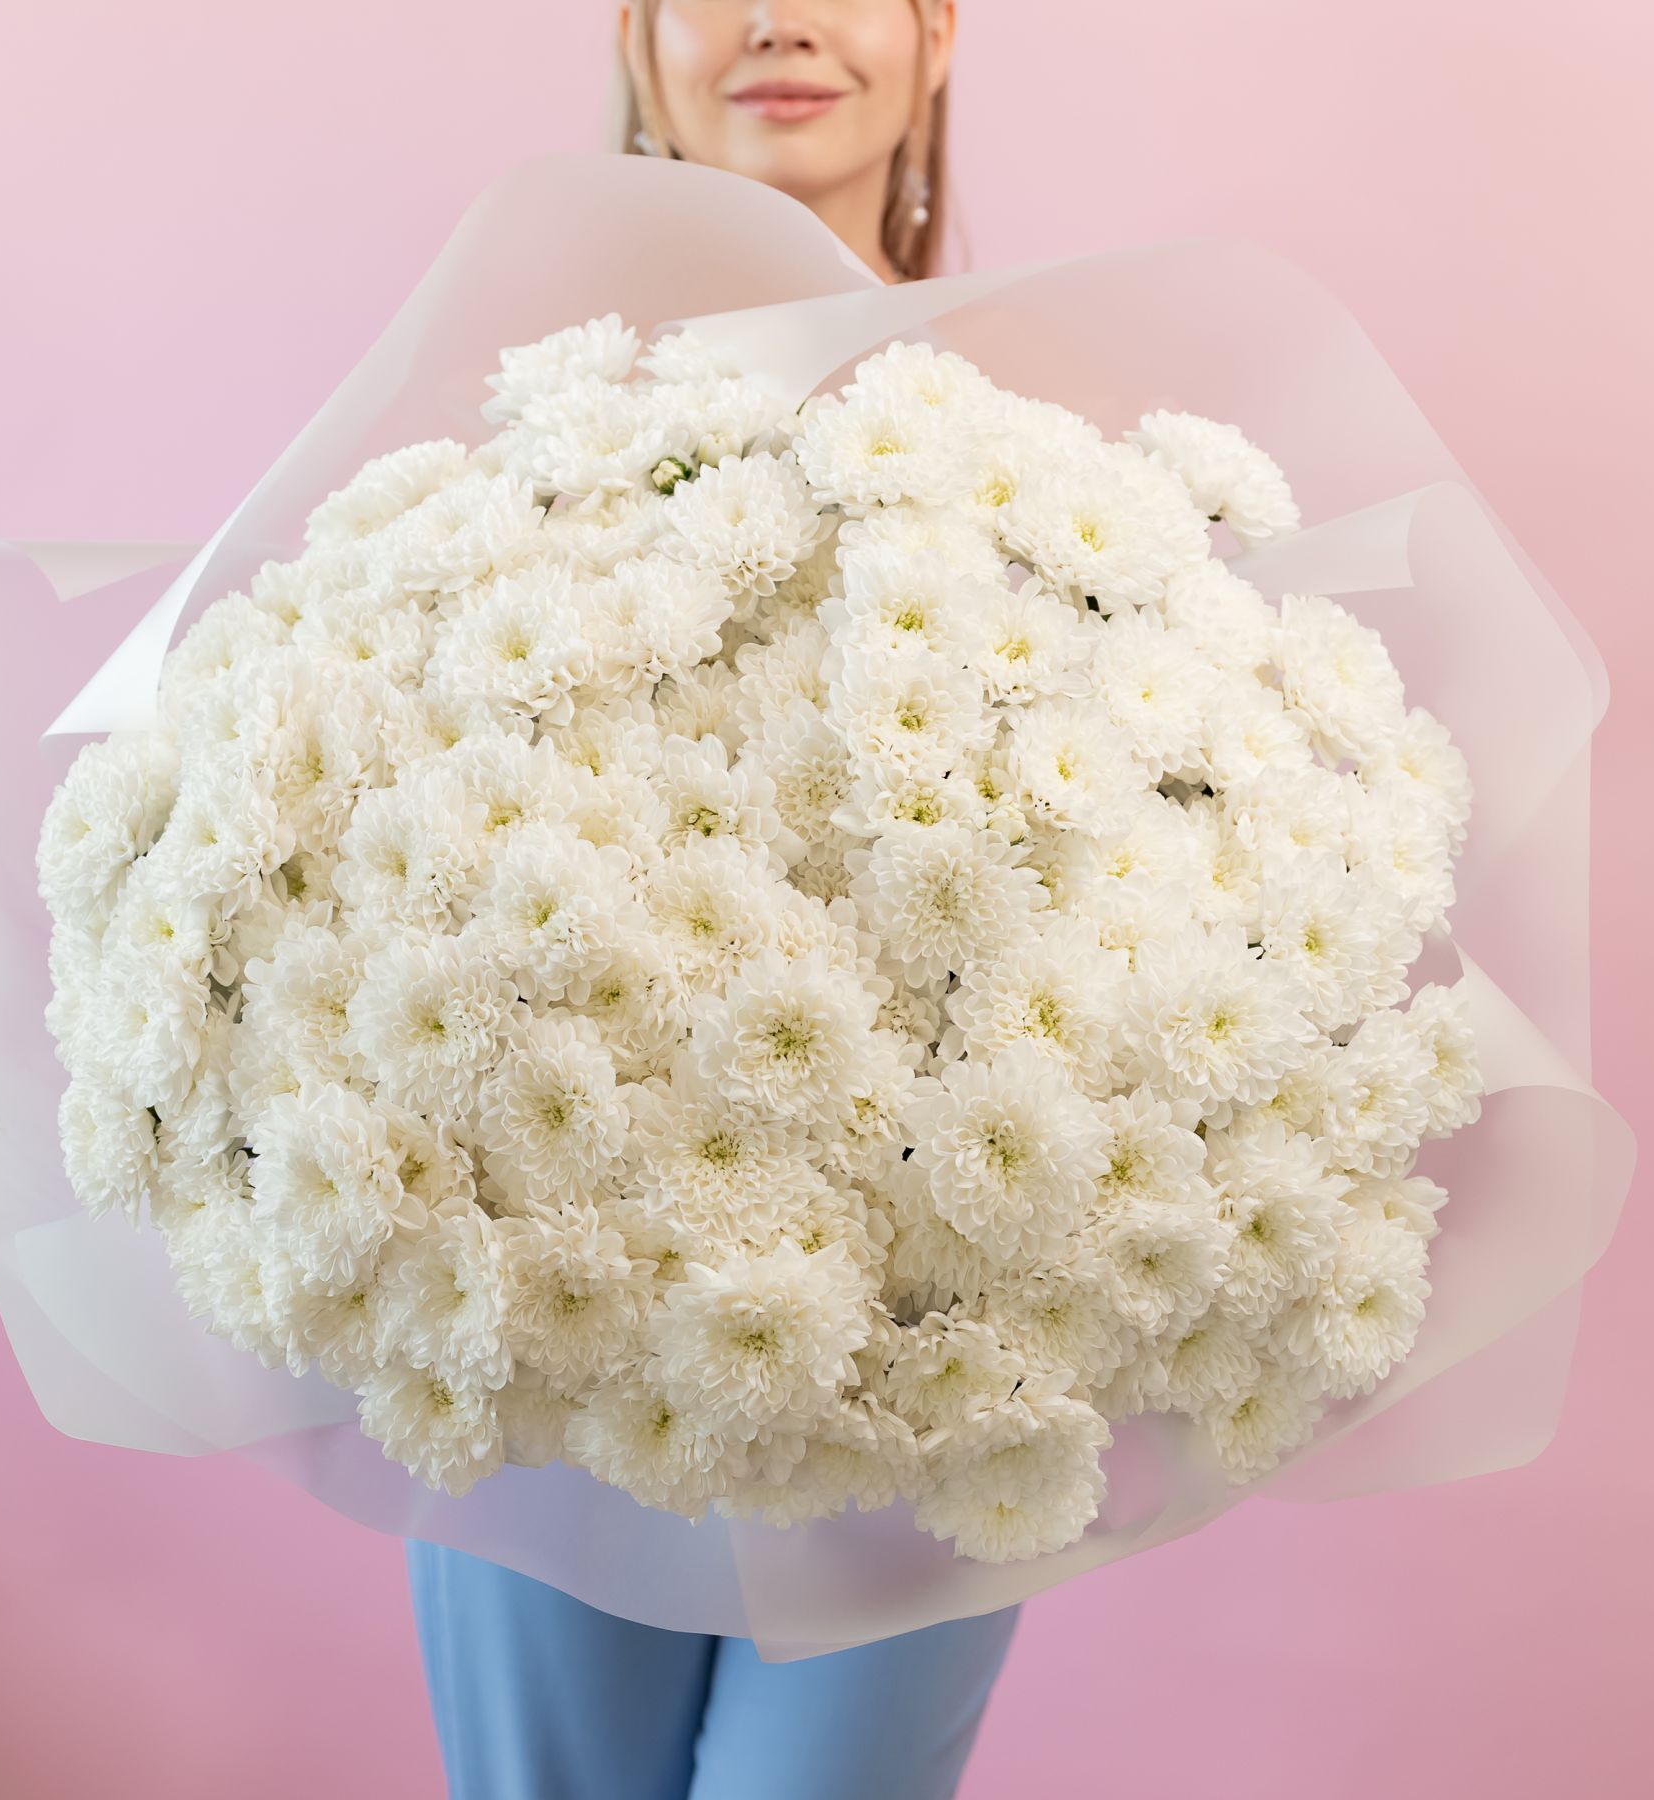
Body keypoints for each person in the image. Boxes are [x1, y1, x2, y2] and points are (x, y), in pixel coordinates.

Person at [403, 5, 1022, 1798]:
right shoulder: (503, 441)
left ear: (937, 31)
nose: (776, 20)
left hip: (931, 1338)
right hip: (557, 1306)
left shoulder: (1049, 445)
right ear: (637, 34)